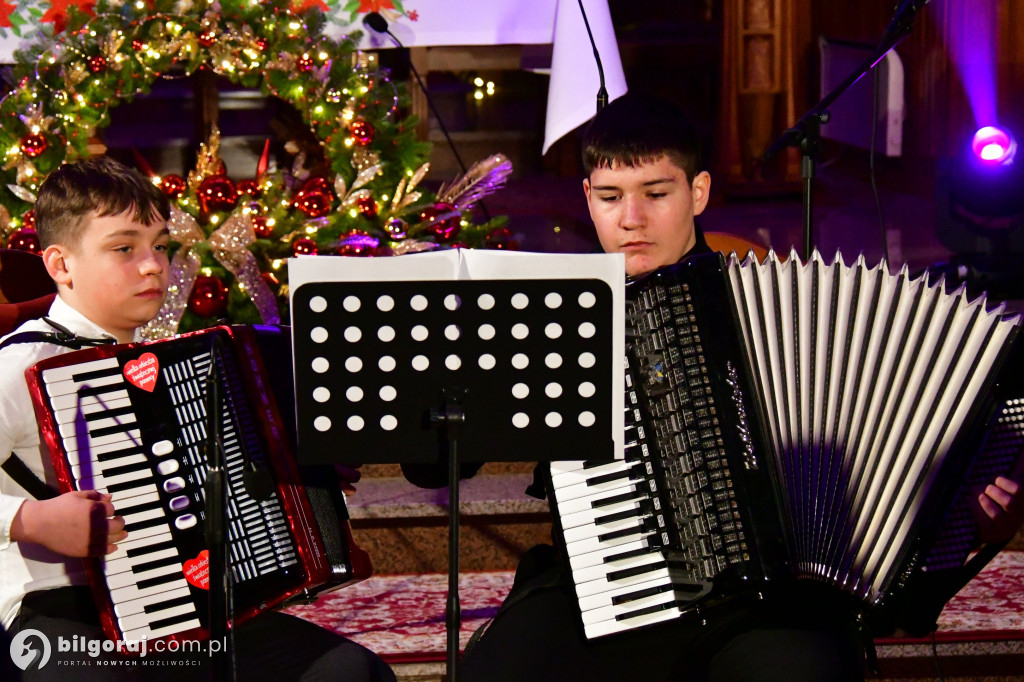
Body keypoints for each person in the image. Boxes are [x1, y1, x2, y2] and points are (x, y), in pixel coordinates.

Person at [457, 94, 1024, 682]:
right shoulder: (564, 316)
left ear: (697, 193)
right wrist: (466, 388)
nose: (631, 219)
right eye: (609, 198)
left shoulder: (788, 304)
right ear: (588, 201)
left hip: (774, 601)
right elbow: (449, 457)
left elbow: (904, 446)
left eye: (656, 193)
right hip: (612, 579)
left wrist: (970, 508)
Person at [0, 157, 396, 681]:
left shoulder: (165, 364)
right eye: (124, 249)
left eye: (160, 246)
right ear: (60, 265)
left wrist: (300, 479)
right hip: (56, 613)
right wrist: (30, 520)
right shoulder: (20, 364)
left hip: (183, 613)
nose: (153, 266)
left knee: (348, 672)